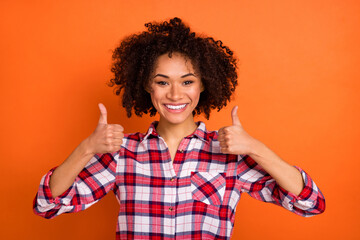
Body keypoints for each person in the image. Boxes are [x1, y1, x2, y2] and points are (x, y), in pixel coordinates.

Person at [33, 17, 325, 239]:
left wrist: (254, 148)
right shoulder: (122, 153)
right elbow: (48, 205)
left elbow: (310, 203)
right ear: (148, 86)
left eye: (187, 81)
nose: (174, 94)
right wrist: (87, 149)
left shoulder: (230, 155)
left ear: (203, 85)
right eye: (162, 82)